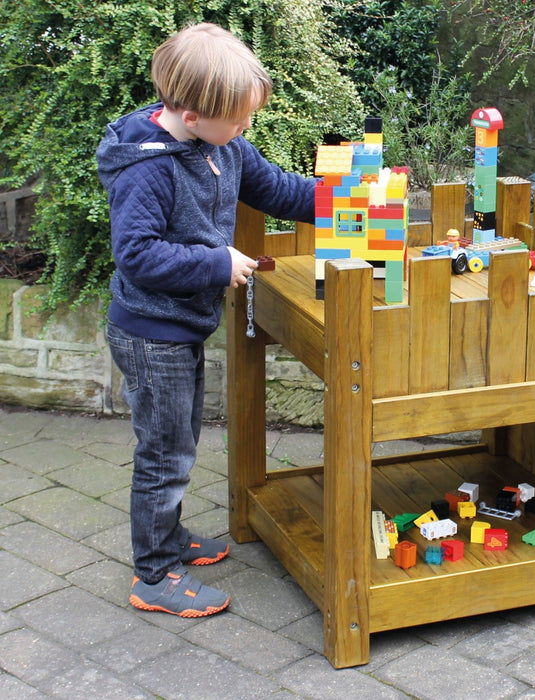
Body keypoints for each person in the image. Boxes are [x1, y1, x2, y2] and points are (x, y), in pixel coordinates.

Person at [96, 23, 317, 617]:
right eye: (239, 120)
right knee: (165, 453)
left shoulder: (222, 146)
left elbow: (277, 189)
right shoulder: (147, 170)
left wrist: (345, 194)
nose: (246, 129)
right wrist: (216, 261)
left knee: (180, 441)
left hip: (178, 330)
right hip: (150, 333)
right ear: (192, 115)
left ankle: (168, 540)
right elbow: (137, 254)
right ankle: (153, 575)